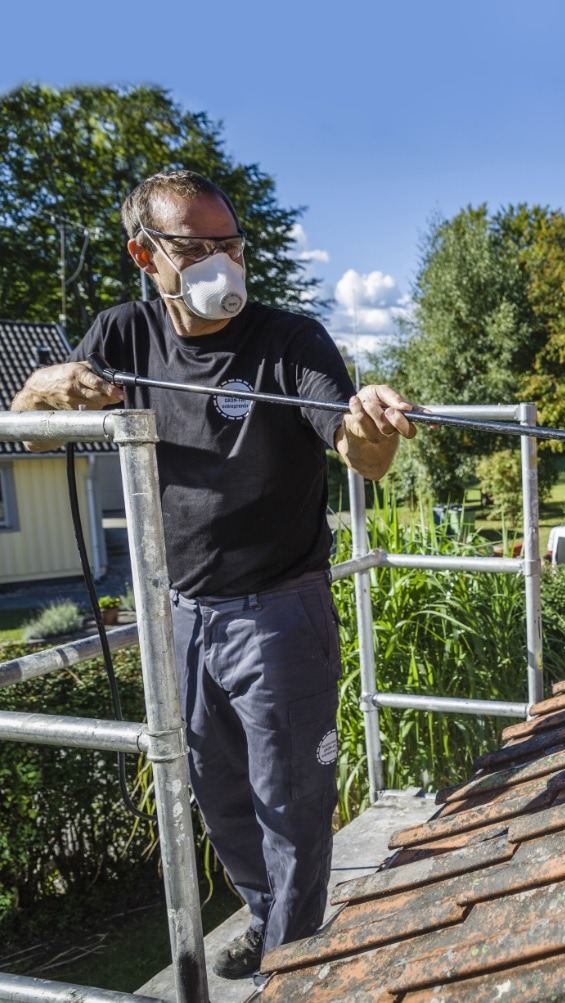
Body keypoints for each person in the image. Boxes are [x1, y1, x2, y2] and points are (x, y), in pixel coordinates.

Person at [11, 170, 417, 980]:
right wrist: (43, 388)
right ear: (144, 254)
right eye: (195, 248)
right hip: (181, 609)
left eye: (230, 244)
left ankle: (292, 966)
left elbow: (358, 453)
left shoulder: (290, 339)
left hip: (280, 607)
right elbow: (30, 437)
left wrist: (373, 426)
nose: (220, 263)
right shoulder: (122, 333)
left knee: (291, 803)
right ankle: (268, 917)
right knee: (221, 794)